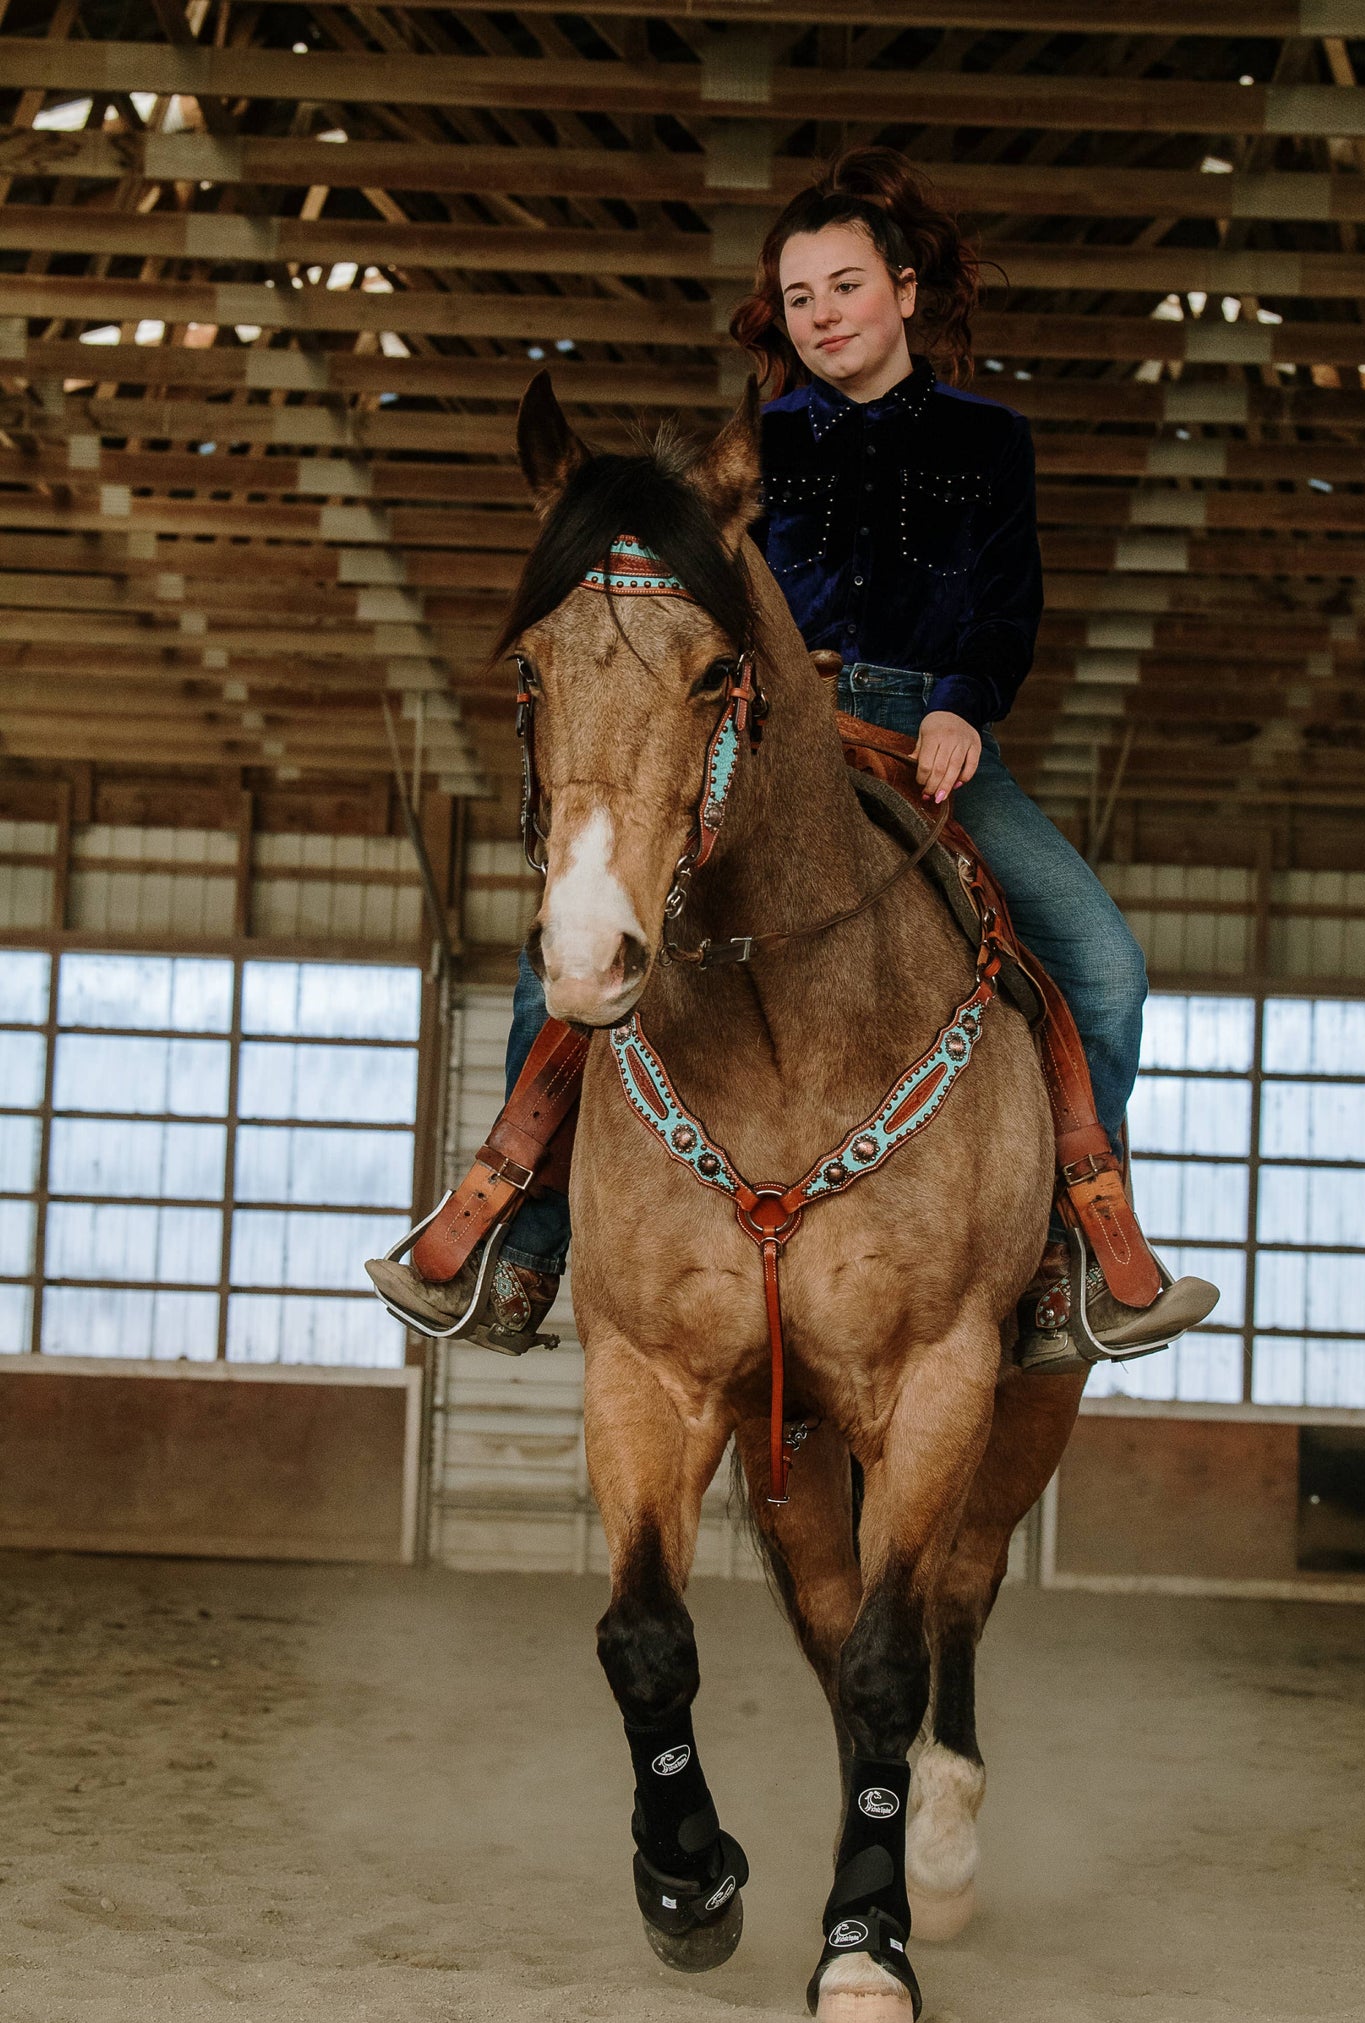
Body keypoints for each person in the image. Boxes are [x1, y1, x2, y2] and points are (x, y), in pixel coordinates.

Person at [371, 148, 1216, 1372]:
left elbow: (1005, 607)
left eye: (845, 286)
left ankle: (1069, 1247)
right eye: (800, 297)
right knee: (547, 966)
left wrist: (966, 706)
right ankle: (519, 1240)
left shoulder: (990, 441)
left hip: (932, 743)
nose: (822, 316)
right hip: (772, 740)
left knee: (1103, 961)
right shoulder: (745, 451)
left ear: (907, 290)